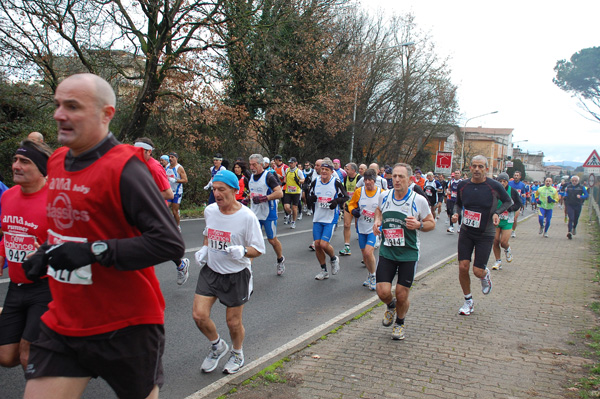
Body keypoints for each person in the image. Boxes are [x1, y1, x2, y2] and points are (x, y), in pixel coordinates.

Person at [21, 73, 185, 399]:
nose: (59, 114)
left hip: (126, 325)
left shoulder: (125, 167)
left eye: (72, 106)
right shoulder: (55, 161)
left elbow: (169, 242)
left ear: (106, 114)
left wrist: (94, 252)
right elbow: (69, 228)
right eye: (57, 105)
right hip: (65, 321)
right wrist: (46, 252)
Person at [192, 170, 265, 375]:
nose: (217, 193)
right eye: (214, 189)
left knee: (233, 322)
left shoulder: (247, 217)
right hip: (212, 271)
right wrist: (205, 248)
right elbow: (209, 233)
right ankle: (217, 346)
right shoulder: (210, 211)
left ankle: (237, 353)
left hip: (236, 273)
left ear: (235, 190)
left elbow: (259, 249)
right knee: (199, 315)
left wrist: (242, 251)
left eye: (221, 189)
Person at [0, 140, 52, 371]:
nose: (16, 166)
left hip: (46, 286)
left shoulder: (55, 201)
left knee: (27, 354)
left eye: (25, 161)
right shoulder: (7, 197)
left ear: (42, 169)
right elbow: (7, 235)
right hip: (16, 286)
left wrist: (45, 253)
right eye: (15, 160)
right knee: (6, 357)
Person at [374, 163, 435, 340]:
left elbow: (431, 223)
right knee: (382, 291)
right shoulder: (384, 196)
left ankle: (399, 323)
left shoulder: (418, 200)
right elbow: (379, 211)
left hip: (408, 253)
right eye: (394, 176)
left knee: (402, 293)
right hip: (388, 251)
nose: (397, 180)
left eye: (401, 177)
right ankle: (390, 306)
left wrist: (419, 225)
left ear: (410, 179)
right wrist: (377, 221)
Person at [453, 155, 512, 316]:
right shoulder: (463, 185)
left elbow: (508, 201)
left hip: (485, 233)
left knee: (477, 271)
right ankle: (468, 301)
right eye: (474, 166)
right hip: (466, 231)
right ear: (470, 168)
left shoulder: (494, 186)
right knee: (463, 266)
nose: (477, 169)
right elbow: (458, 203)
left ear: (486, 169)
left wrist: (497, 213)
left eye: (481, 166)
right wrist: (456, 214)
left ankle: (485, 274)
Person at [134, 138, 190, 285]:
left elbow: (168, 193)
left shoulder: (155, 167)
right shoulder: (134, 163)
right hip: (139, 208)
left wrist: (146, 196)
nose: (135, 154)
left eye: (140, 152)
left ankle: (180, 264)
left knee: (158, 243)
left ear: (149, 152)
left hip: (154, 208)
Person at [308, 159, 348, 280]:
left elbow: (345, 196)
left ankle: (334, 259)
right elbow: (309, 195)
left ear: (331, 171)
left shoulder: (335, 182)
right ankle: (323, 270)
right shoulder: (316, 182)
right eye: (322, 169)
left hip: (330, 218)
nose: (324, 171)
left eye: (327, 170)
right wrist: (312, 198)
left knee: (324, 244)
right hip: (318, 217)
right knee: (317, 245)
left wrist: (336, 201)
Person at [247, 154, 286, 275]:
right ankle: (247, 268)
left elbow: (279, 193)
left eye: (254, 164)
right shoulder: (251, 177)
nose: (252, 167)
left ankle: (280, 259)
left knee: (272, 240)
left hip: (268, 214)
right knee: (251, 241)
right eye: (250, 164)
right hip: (254, 214)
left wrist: (265, 198)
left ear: (261, 164)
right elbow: (252, 193)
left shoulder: (268, 176)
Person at [346, 169, 383, 290]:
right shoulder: (359, 191)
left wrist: (381, 222)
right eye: (365, 179)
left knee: (368, 252)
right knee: (364, 255)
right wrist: (353, 210)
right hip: (361, 226)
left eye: (370, 180)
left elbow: (386, 208)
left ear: (374, 180)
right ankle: (370, 273)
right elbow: (351, 204)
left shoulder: (382, 193)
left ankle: (374, 276)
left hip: (374, 228)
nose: (367, 182)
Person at [491, 173, 522, 270]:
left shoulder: (512, 191)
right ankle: (498, 261)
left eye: (504, 181)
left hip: (508, 219)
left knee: (503, 242)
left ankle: (507, 249)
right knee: (495, 240)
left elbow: (518, 203)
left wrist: (511, 208)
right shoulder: (494, 191)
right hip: (497, 218)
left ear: (507, 182)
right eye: (500, 181)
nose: (502, 183)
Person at [339, 163, 362, 256]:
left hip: (358, 206)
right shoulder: (345, 178)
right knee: (346, 225)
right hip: (349, 204)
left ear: (353, 170)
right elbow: (345, 190)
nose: (346, 171)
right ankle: (347, 247)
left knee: (358, 226)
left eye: (347, 169)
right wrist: (344, 200)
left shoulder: (359, 178)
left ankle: (365, 250)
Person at [166, 152, 189, 230]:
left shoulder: (179, 168)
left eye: (172, 157)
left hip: (177, 192)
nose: (170, 159)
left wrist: (176, 180)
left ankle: (177, 226)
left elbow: (185, 180)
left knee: (174, 211)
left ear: (176, 158)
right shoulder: (167, 167)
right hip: (168, 192)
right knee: (164, 207)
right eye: (169, 157)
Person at [563, 175, 588, 239]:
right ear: (571, 181)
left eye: (575, 181)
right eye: (573, 181)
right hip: (570, 204)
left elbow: (586, 195)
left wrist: (581, 197)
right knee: (571, 218)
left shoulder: (581, 187)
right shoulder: (568, 187)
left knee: (576, 219)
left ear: (578, 181)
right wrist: (565, 196)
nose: (574, 182)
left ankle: (574, 227)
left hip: (578, 204)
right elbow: (565, 194)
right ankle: (569, 232)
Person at [283, 157, 305, 229]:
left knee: (294, 208)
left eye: (292, 163)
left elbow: (303, 180)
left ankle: (293, 222)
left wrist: (298, 180)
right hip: (288, 191)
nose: (290, 164)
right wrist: (282, 182)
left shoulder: (298, 171)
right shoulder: (287, 170)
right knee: (286, 207)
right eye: (289, 163)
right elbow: (285, 178)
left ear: (295, 163)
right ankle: (290, 214)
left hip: (296, 192)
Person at [508, 171, 527, 238]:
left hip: (517, 203)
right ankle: (507, 229)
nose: (516, 176)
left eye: (517, 175)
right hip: (509, 203)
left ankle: (513, 231)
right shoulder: (509, 183)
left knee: (515, 218)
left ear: (520, 177)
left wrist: (523, 195)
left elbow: (523, 193)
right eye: (515, 175)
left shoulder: (522, 185)